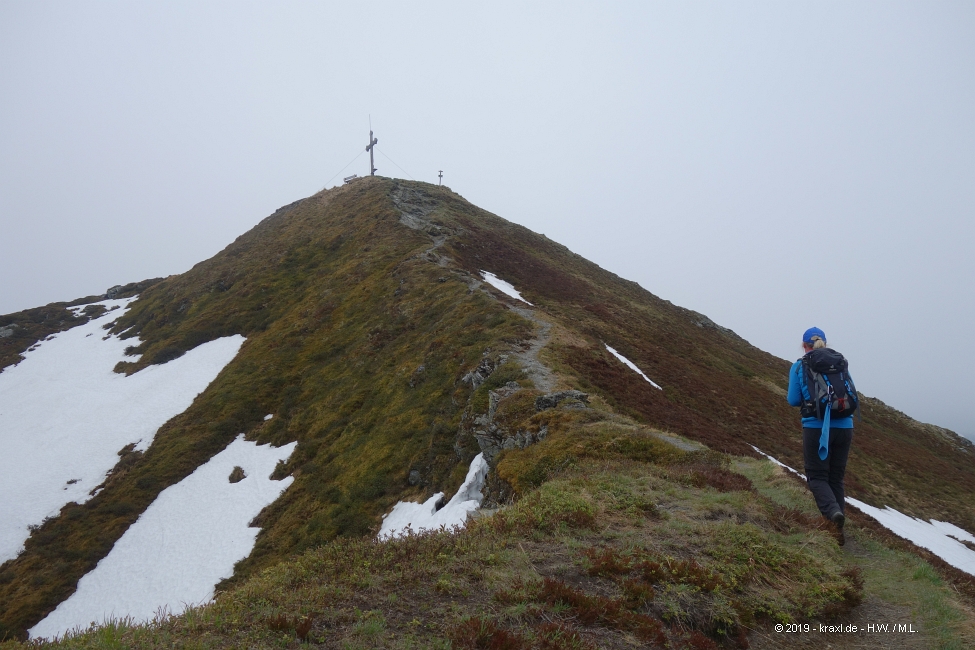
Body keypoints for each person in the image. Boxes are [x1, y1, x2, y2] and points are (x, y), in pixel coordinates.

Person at [787, 327, 854, 545]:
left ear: (803, 345)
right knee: (835, 477)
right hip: (845, 426)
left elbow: (793, 400)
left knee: (817, 476)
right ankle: (837, 531)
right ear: (824, 343)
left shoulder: (799, 366)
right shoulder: (840, 363)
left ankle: (833, 514)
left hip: (816, 427)